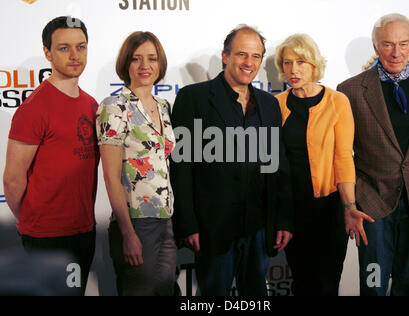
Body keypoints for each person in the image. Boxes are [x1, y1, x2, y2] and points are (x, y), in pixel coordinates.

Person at [170, 25, 294, 296]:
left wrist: (283, 219)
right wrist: (188, 224)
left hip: (259, 229)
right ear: (225, 56)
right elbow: (182, 168)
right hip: (213, 228)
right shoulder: (194, 98)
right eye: (241, 54)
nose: (248, 63)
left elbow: (279, 168)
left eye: (256, 56)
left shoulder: (269, 105)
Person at [337, 13, 409, 296]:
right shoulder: (349, 91)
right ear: (376, 47)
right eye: (388, 44)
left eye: (403, 43)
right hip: (372, 206)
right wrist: (354, 200)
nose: (396, 53)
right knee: (373, 285)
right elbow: (342, 154)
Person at [2, 16, 98, 296]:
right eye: (64, 48)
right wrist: (33, 222)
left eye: (81, 47)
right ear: (47, 53)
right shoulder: (34, 108)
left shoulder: (91, 104)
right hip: (47, 237)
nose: (75, 55)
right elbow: (12, 179)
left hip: (85, 231)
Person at [274, 34, 373, 296]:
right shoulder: (276, 105)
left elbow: (343, 157)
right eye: (287, 63)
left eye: (301, 62)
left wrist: (349, 206)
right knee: (303, 283)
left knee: (328, 283)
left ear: (314, 64)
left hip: (330, 209)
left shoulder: (337, 101)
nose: (293, 70)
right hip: (293, 210)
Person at [96, 31, 177, 296]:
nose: (145, 66)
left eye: (152, 58)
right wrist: (128, 233)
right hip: (135, 222)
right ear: (125, 64)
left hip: (165, 220)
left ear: (160, 63)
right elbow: (110, 176)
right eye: (136, 59)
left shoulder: (163, 105)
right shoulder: (114, 107)